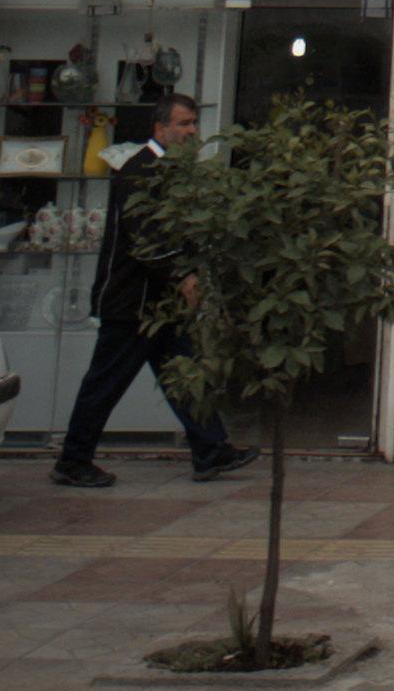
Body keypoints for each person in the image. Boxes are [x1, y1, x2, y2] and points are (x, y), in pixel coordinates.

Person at [50, 93, 260, 488]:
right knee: (105, 383)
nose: (192, 131)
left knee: (183, 374)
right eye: (183, 124)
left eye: (194, 123)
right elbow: (145, 238)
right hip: (131, 303)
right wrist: (183, 275)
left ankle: (211, 449)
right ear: (160, 128)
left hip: (160, 303)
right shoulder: (140, 171)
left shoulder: (171, 172)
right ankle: (73, 460)